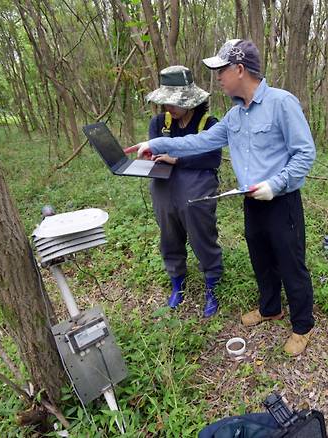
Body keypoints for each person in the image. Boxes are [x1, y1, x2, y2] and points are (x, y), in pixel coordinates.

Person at [130, 40, 316, 356]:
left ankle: (303, 325)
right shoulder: (234, 116)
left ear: (239, 70)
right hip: (250, 200)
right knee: (260, 258)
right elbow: (200, 142)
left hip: (281, 201)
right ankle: (270, 308)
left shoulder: (282, 103)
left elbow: (305, 153)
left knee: (290, 262)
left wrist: (276, 183)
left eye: (221, 70)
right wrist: (158, 144)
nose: (217, 78)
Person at [139, 65, 223, 318]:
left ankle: (212, 283)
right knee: (169, 234)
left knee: (201, 234)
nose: (169, 109)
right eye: (165, 103)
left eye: (174, 103)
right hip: (164, 186)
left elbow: (212, 158)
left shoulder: (208, 123)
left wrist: (178, 160)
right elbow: (155, 153)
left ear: (191, 101)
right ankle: (177, 282)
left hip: (197, 185)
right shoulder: (159, 123)